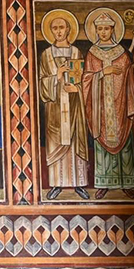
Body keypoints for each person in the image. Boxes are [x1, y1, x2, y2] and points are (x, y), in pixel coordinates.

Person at [82, 10, 134, 199]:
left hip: (120, 104)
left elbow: (130, 76)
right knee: (102, 142)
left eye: (107, 28)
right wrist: (104, 72)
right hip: (101, 106)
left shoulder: (122, 53)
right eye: (100, 29)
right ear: (95, 31)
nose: (103, 32)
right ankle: (103, 183)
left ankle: (127, 182)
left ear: (113, 30)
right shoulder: (92, 53)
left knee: (126, 142)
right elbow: (86, 79)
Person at [38, 13, 89, 200]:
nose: (58, 31)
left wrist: (77, 88)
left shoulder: (76, 52)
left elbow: (84, 80)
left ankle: (79, 184)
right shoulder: (46, 55)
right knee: (56, 144)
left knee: (75, 143)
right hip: (55, 110)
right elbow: (41, 82)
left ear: (68, 30)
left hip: (74, 108)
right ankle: (56, 184)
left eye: (62, 27)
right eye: (55, 28)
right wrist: (57, 76)